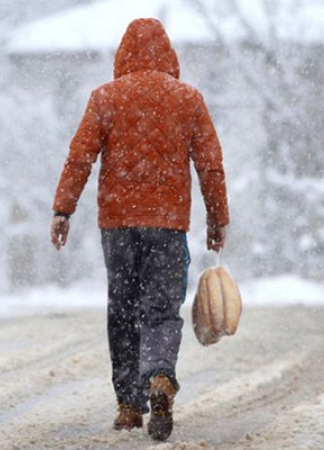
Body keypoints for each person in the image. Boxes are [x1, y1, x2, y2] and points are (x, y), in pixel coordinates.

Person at [50, 18, 229, 441]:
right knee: (162, 310)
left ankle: (129, 405)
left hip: (118, 223)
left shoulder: (105, 98)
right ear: (169, 55)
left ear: (123, 54)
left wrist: (63, 210)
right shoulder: (188, 100)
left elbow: (80, 157)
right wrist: (218, 219)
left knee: (123, 309)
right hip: (168, 226)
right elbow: (210, 165)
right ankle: (161, 376)